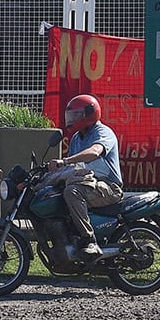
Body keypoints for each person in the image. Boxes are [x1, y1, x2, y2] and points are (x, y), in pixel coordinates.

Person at [49, 94, 124, 258]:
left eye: (76, 115)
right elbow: (74, 167)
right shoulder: (77, 138)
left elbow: (94, 152)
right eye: (71, 115)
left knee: (72, 192)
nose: (72, 119)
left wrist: (65, 161)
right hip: (87, 183)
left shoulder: (103, 132)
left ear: (89, 113)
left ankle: (89, 240)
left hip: (108, 187)